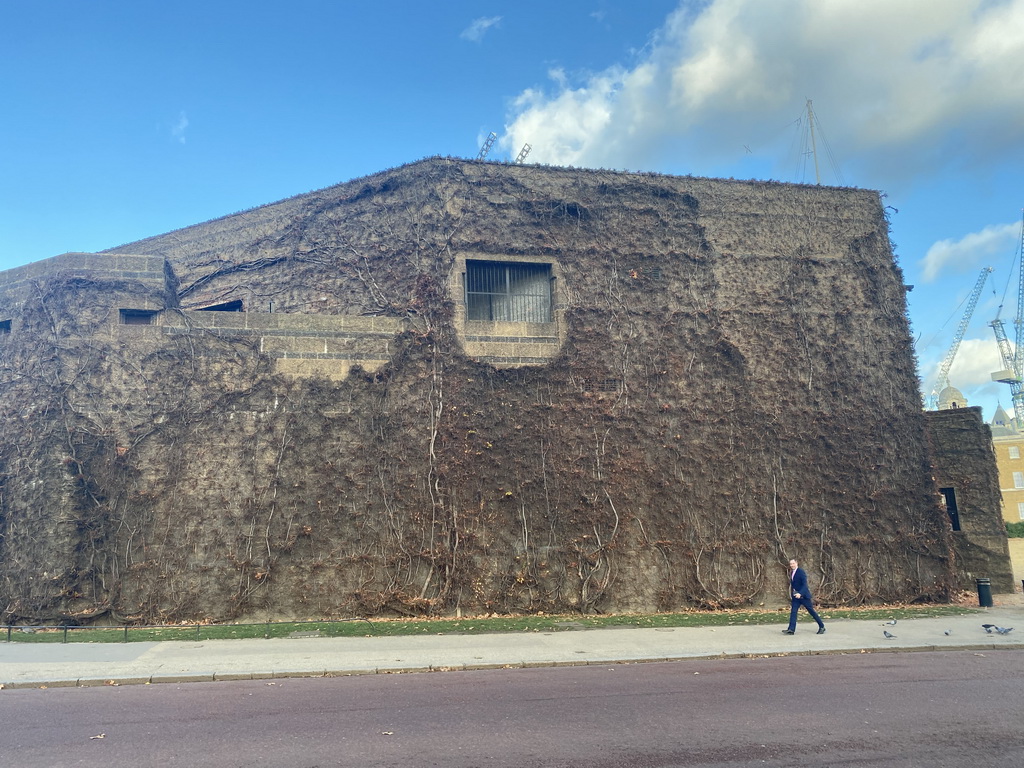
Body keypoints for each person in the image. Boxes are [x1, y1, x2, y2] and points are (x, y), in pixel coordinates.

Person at [782, 558, 825, 635]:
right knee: (793, 612)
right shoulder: (792, 572)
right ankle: (791, 629)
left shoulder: (801, 572)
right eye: (791, 564)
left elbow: (805, 585)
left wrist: (800, 594)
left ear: (797, 563)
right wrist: (795, 593)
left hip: (804, 597)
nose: (792, 565)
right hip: (796, 597)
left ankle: (822, 626)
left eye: (793, 563)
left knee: (811, 611)